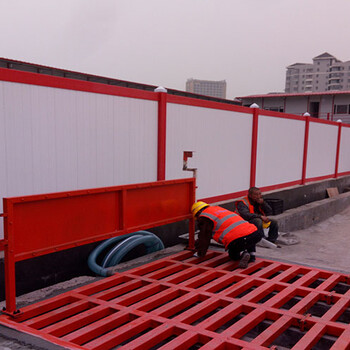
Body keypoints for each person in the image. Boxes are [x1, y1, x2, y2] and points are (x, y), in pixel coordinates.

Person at [191, 201, 261, 268]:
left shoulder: (205, 217)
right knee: (248, 236)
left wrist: (200, 253)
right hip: (256, 232)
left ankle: (242, 254)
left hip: (239, 239)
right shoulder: (217, 209)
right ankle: (252, 256)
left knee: (233, 254)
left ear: (198, 213)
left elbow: (204, 237)